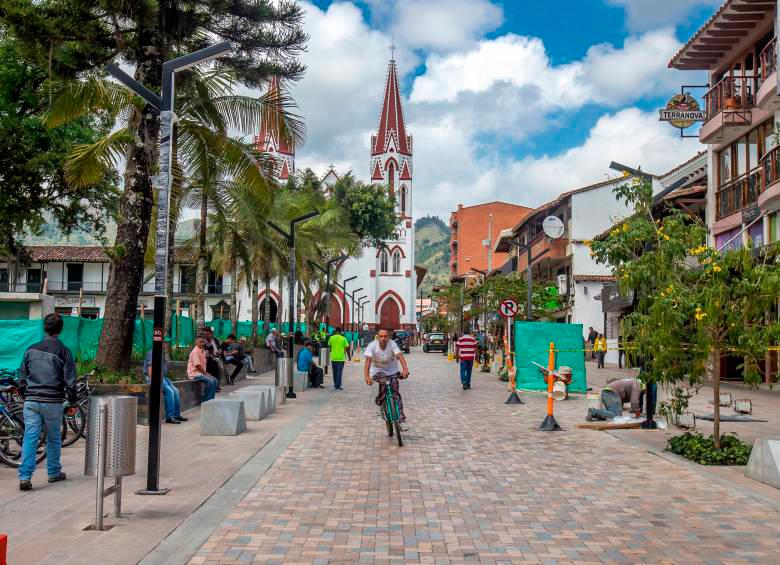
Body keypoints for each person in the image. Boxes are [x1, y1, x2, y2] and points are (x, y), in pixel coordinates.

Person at [17, 313, 77, 491]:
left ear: (45, 327)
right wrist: (73, 402)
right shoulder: (64, 351)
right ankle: (53, 472)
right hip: (52, 401)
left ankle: (25, 477)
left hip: (31, 401)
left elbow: (21, 376)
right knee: (53, 438)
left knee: (30, 437)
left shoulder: (30, 349)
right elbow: (70, 381)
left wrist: (25, 395)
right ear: (61, 329)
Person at [364, 328, 410, 423]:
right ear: (377, 337)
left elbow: (400, 356)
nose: (383, 338)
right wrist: (367, 376)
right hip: (377, 371)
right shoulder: (372, 345)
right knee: (383, 381)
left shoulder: (392, 344)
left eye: (385, 336)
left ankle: (401, 417)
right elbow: (368, 362)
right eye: (381, 336)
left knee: (395, 391)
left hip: (392, 370)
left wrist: (405, 369)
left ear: (388, 337)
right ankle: (380, 399)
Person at [143, 339, 187, 424]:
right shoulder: (153, 352)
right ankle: (169, 417)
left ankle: (176, 414)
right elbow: (150, 368)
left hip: (162, 377)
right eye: (166, 343)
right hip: (154, 377)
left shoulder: (162, 353)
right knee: (170, 391)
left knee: (176, 391)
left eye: (167, 342)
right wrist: (154, 382)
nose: (167, 344)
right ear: (161, 343)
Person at [187, 335, 219, 402]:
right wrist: (206, 374)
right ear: (196, 342)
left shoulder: (202, 350)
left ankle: (211, 399)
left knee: (215, 380)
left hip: (200, 373)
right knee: (210, 381)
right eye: (200, 342)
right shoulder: (195, 352)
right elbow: (198, 366)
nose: (202, 343)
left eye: (203, 342)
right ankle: (205, 400)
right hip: (194, 374)